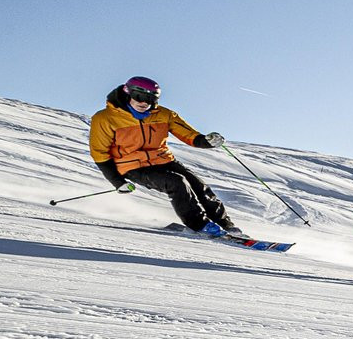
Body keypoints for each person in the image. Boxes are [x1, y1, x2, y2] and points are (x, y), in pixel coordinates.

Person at [89, 75, 240, 235]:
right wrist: (117, 182)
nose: (144, 103)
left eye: (150, 99)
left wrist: (207, 141)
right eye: (139, 97)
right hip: (131, 166)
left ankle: (225, 225)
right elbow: (99, 153)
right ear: (127, 93)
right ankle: (199, 226)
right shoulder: (104, 118)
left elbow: (189, 135)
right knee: (176, 182)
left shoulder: (163, 114)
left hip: (163, 160)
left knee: (197, 184)